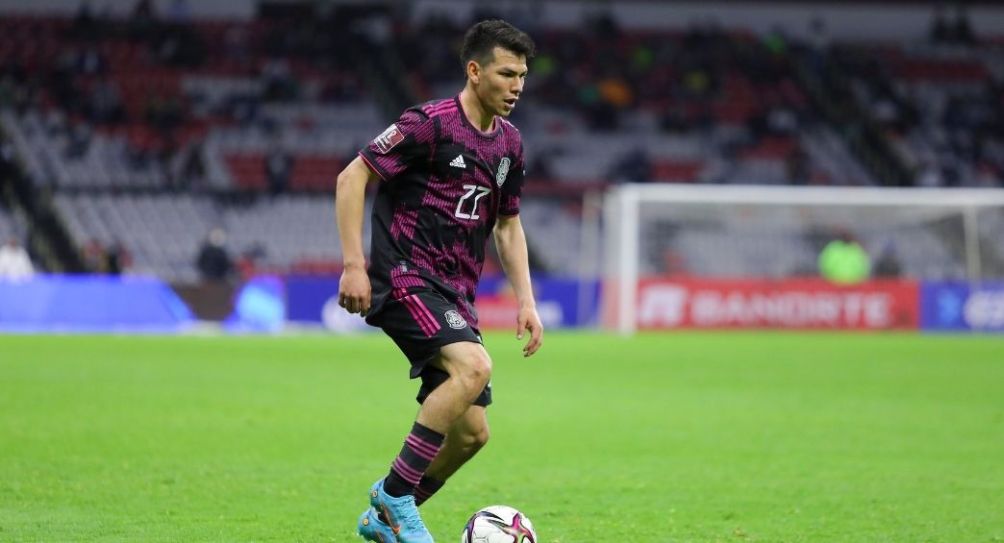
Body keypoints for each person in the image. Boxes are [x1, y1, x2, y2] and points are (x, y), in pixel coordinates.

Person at [335, 19, 542, 543]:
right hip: (404, 274)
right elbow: (352, 176)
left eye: (522, 75)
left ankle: (384, 519)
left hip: (455, 292)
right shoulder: (429, 123)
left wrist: (527, 300)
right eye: (506, 73)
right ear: (475, 71)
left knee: (472, 435)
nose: (517, 85)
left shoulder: (510, 146)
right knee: (473, 366)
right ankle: (395, 496)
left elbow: (509, 225)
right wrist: (354, 263)